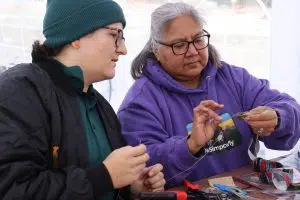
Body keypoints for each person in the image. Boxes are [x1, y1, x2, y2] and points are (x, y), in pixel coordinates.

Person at [117, 2, 300, 188]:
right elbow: (144, 169)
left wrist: (278, 117)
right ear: (156, 50)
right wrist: (190, 146)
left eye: (198, 40)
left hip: (245, 191)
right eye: (179, 45)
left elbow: (289, 107)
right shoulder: (140, 103)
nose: (193, 52)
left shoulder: (233, 79)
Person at [0, 0, 165, 199]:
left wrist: (131, 189)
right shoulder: (21, 91)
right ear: (76, 36)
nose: (123, 49)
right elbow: (12, 188)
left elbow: (106, 185)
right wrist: (104, 176)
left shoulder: (101, 107)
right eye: (114, 35)